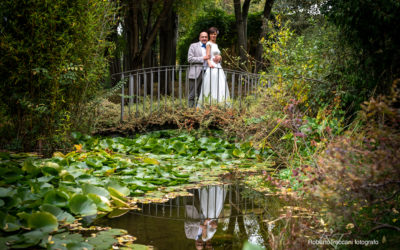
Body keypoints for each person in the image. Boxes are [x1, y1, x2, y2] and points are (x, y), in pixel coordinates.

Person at [197, 27, 230, 107]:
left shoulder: (216, 44)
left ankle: (220, 103)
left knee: (220, 84)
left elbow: (218, 55)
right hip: (212, 66)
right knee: (211, 84)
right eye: (212, 34)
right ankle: (209, 103)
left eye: (215, 34)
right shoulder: (208, 44)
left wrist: (220, 57)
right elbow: (207, 56)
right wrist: (209, 63)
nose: (213, 36)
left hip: (218, 66)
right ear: (209, 35)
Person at [187, 31, 221, 107]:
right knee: (192, 93)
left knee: (203, 93)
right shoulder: (193, 46)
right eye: (202, 37)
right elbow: (190, 59)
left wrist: (219, 58)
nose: (204, 38)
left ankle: (200, 110)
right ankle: (190, 111)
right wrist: (203, 58)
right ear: (199, 38)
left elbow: (215, 57)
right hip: (196, 72)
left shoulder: (211, 46)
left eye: (206, 37)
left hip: (208, 73)